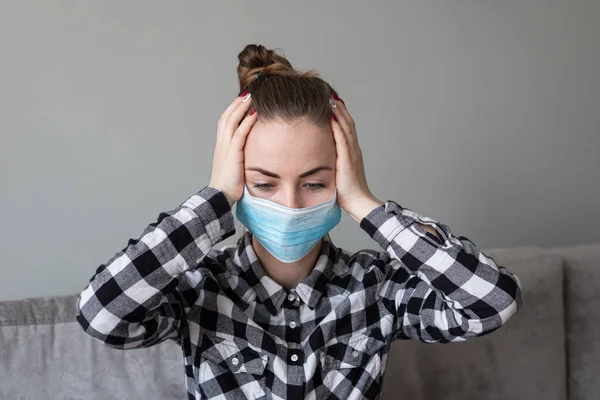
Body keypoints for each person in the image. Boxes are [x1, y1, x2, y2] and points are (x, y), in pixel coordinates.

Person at [76, 44, 523, 400]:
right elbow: (101, 316)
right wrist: (214, 200)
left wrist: (367, 205)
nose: (290, 205)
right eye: (265, 184)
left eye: (313, 184)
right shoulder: (197, 290)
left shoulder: (380, 289)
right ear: (239, 182)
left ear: (340, 181)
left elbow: (492, 304)